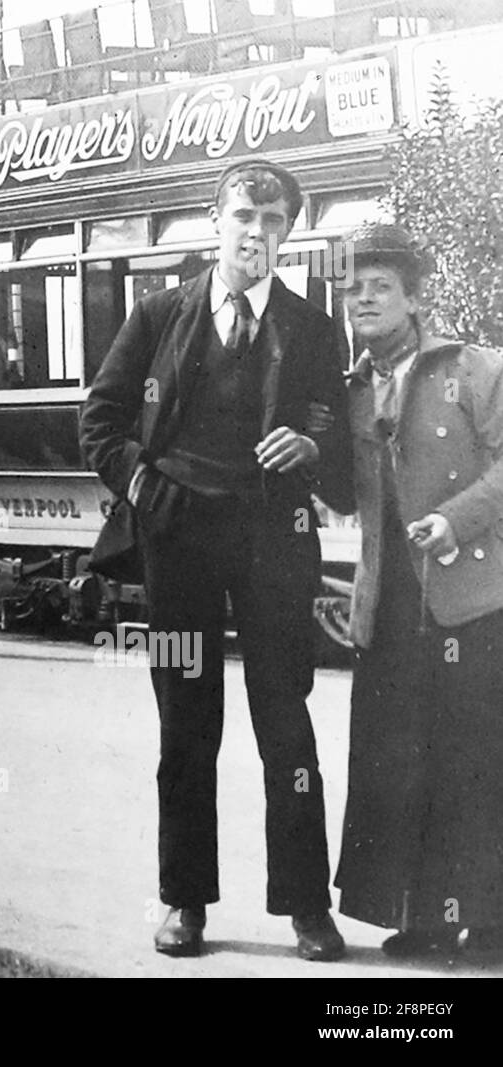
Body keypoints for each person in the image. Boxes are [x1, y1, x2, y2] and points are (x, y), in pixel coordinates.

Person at [80, 158, 355, 962]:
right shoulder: (159, 315)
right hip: (178, 551)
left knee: (286, 726)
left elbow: (335, 437)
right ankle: (185, 901)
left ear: (289, 233)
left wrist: (311, 442)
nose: (257, 235)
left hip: (277, 546)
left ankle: (307, 908)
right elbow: (99, 422)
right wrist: (150, 492)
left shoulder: (311, 328)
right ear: (214, 220)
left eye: (274, 223)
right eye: (244, 217)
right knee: (185, 725)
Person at [326, 224, 503, 957]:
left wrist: (454, 521)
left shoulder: (476, 368)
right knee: (398, 762)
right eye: (352, 287)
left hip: (473, 600)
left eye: (380, 286)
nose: (364, 298)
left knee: (475, 758)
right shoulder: (346, 391)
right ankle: (423, 919)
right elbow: (340, 491)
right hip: (390, 608)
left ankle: (491, 922)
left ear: (412, 295)